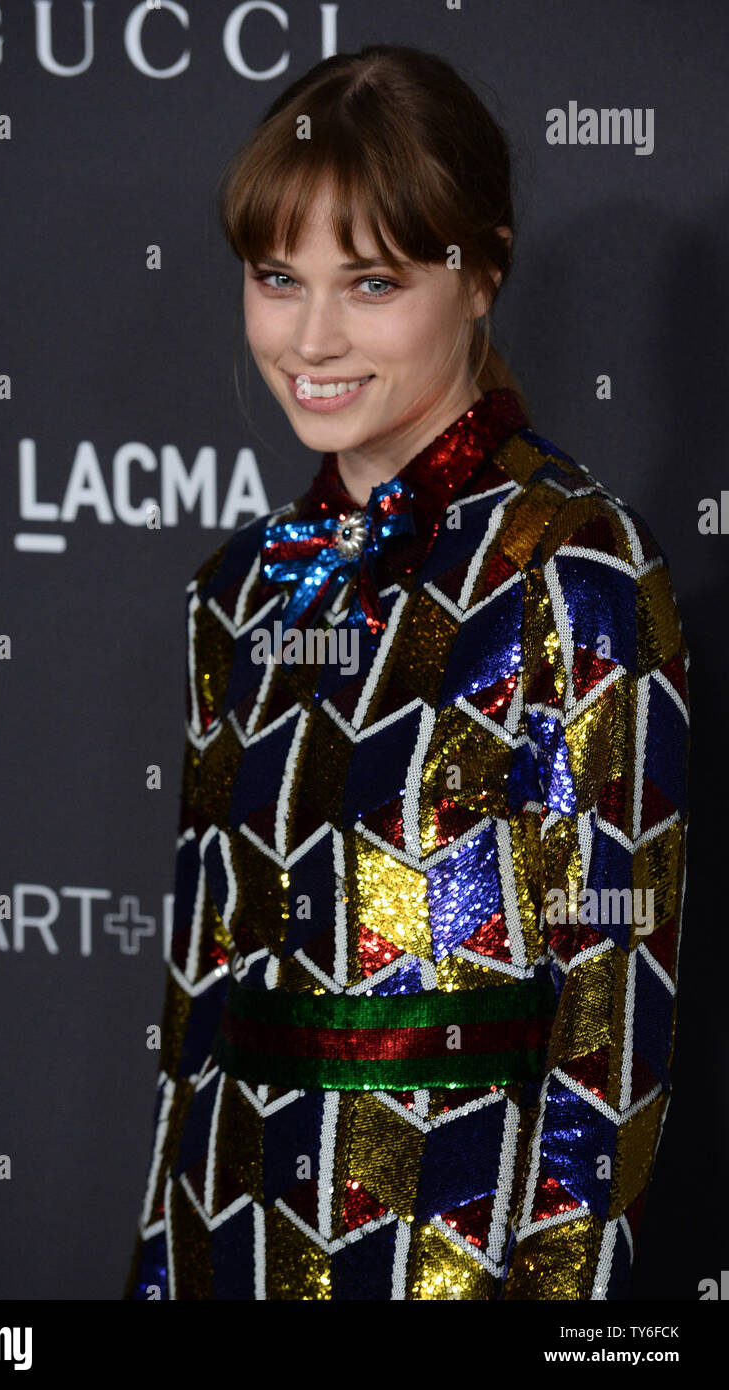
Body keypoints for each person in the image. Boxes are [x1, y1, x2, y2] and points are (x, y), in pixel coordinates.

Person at [123, 43, 690, 1301]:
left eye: (369, 281)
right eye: (278, 277)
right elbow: (196, 1005)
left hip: (464, 1252)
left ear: (478, 270)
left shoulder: (575, 573)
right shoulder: (240, 588)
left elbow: (612, 1015)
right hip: (239, 1243)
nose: (309, 336)